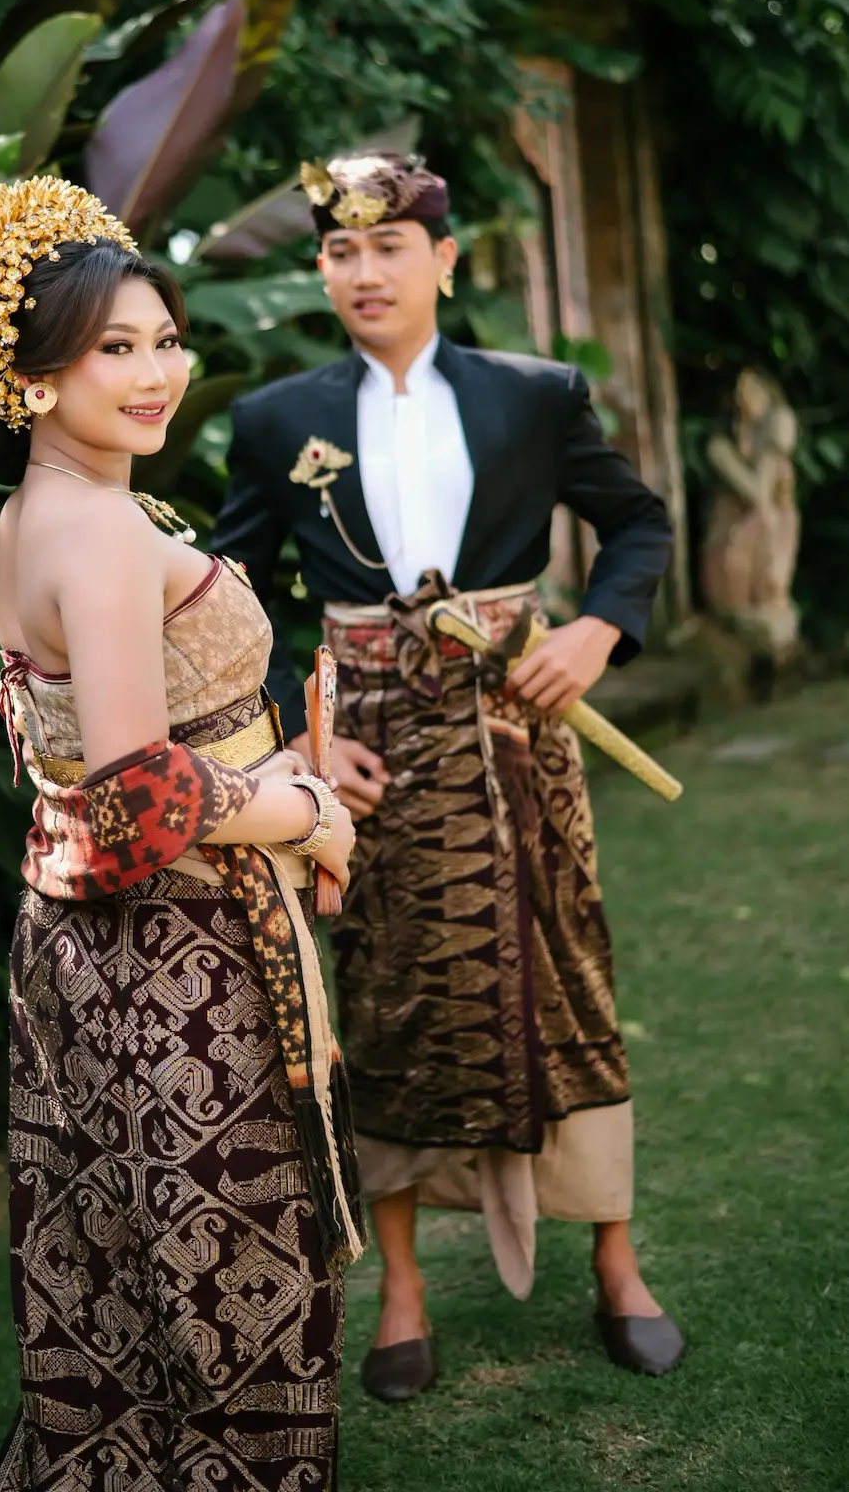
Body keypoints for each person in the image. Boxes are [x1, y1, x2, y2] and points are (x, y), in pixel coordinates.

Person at [211, 151, 685, 1398]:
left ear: (443, 260)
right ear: (322, 269)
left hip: (516, 732)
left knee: (566, 978)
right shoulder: (277, 422)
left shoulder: (533, 395)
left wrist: (597, 630)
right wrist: (298, 739)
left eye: (388, 247)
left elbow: (636, 522)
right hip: (366, 758)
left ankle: (616, 1263)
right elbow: (226, 597)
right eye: (340, 251)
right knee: (386, 997)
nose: (363, 271)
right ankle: (403, 1289)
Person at [0, 177, 363, 1491]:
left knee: (122, 1281)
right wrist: (305, 813)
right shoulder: (101, 531)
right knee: (223, 1285)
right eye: (115, 348)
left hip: (87, 960)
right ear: (30, 375)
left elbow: (108, 747)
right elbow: (135, 797)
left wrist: (274, 762)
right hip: (180, 964)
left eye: (165, 339)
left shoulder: (34, 516)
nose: (157, 371)